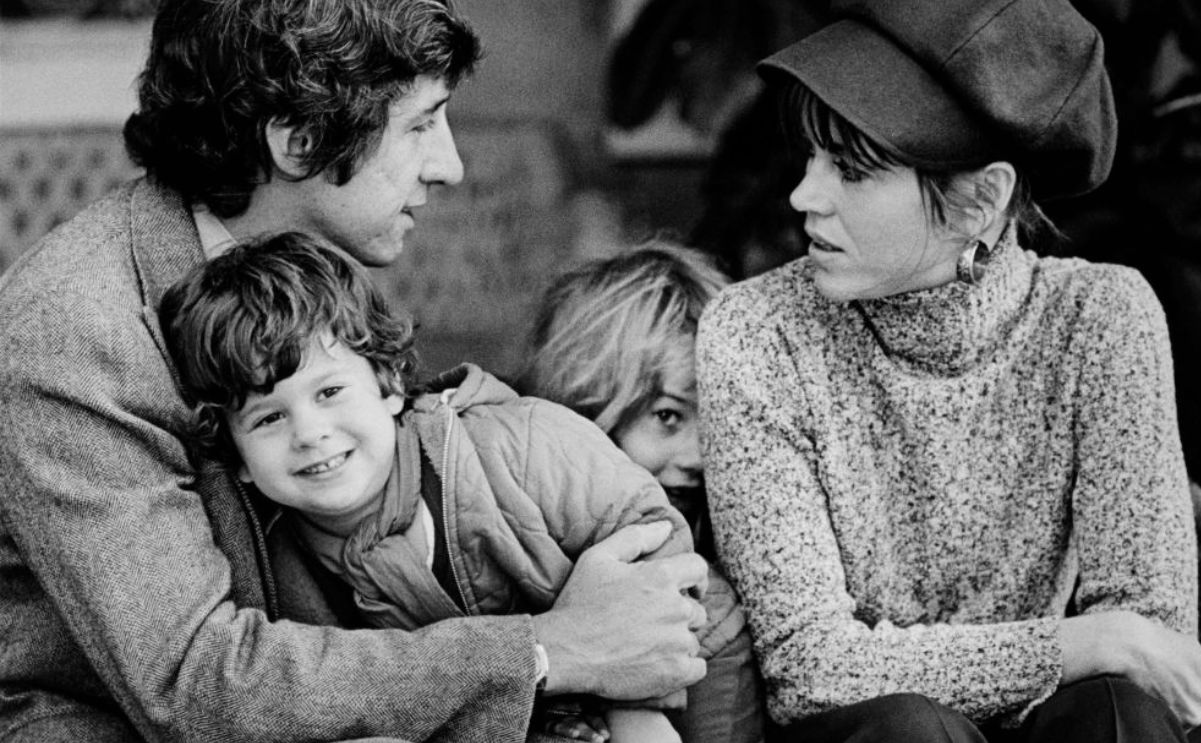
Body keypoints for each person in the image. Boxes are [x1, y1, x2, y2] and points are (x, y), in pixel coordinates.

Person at [0, 0, 707, 741]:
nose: (450, 165)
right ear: (299, 142)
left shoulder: (304, 273)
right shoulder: (74, 331)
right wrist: (551, 648)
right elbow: (195, 682)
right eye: (420, 124)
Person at [695, 0, 1201, 741]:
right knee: (910, 728)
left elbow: (1150, 643)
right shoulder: (758, 331)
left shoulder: (1099, 315)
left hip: (1053, 720)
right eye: (810, 156)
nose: (803, 196)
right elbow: (811, 667)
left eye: (851, 169)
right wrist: (1079, 642)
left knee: (1119, 709)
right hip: (871, 732)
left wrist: (1103, 650)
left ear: (981, 200)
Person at [157, 231, 714, 743]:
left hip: (693, 670)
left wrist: (630, 704)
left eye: (329, 393)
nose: (309, 434)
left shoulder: (517, 442)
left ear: (389, 385)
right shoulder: (278, 560)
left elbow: (652, 533)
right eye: (268, 419)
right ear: (240, 460)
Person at [515, 242, 767, 743]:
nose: (699, 456)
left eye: (715, 419)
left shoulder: (709, 609)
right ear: (583, 406)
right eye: (668, 417)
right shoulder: (489, 555)